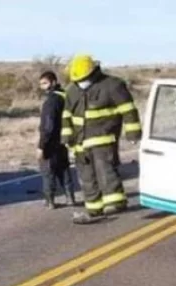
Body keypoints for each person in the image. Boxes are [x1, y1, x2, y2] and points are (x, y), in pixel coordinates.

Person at [61, 54, 142, 224]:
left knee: (106, 171)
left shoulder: (112, 85)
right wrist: (66, 136)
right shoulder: (72, 90)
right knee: (86, 176)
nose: (81, 82)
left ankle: (115, 202)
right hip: (79, 143)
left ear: (93, 73)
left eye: (84, 78)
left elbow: (128, 110)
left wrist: (133, 133)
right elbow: (67, 115)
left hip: (103, 138)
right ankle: (94, 207)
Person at [37, 70, 76, 208]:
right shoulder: (66, 96)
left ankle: (50, 200)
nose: (43, 87)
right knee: (64, 169)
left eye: (45, 83)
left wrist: (42, 145)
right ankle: (70, 197)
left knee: (48, 171)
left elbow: (48, 125)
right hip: (65, 139)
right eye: (41, 84)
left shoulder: (51, 101)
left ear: (53, 82)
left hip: (52, 141)